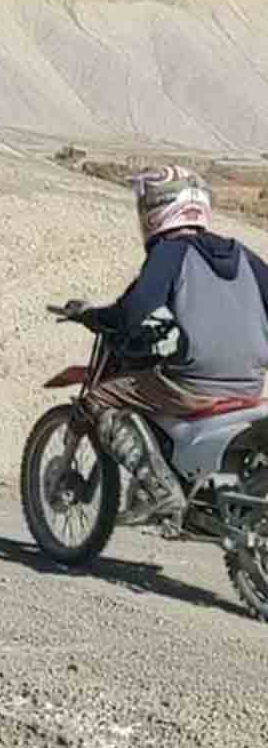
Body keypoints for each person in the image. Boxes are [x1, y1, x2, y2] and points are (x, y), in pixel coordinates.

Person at [71, 165, 268, 527]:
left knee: (99, 399)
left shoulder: (170, 252)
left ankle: (158, 489)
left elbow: (134, 311)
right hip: (250, 388)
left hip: (191, 386)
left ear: (156, 207)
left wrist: (96, 318)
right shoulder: (245, 257)